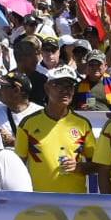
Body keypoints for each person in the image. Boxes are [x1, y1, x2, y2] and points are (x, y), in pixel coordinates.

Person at [15, 66, 98, 194]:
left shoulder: (82, 124)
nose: (65, 91)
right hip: (39, 199)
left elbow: (96, 164)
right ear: (47, 88)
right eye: (59, 85)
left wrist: (79, 167)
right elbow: (17, 166)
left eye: (69, 86)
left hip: (75, 199)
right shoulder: (28, 124)